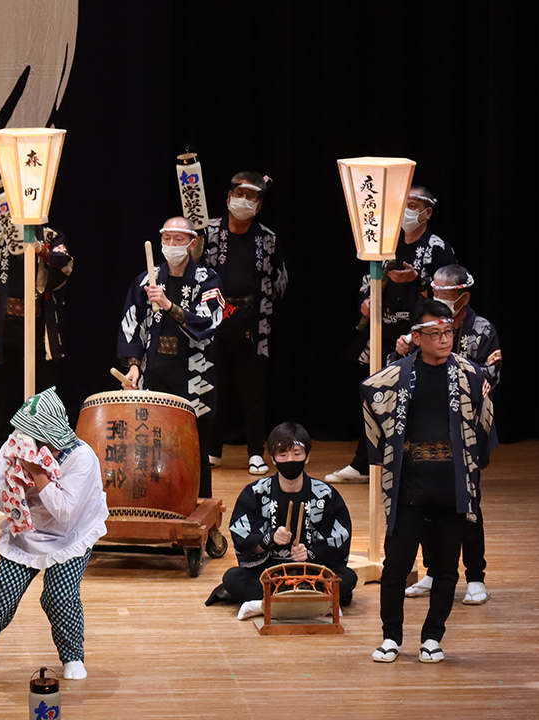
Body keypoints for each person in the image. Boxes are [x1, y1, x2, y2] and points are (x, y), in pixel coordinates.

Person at [362, 300, 495, 664]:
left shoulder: (469, 374)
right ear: (417, 337)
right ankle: (391, 637)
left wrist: (472, 459)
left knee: (447, 569)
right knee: (395, 568)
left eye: (448, 332)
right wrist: (388, 449)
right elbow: (369, 390)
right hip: (410, 485)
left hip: (452, 483)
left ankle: (433, 637)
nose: (443, 340)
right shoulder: (399, 373)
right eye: (434, 334)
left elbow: (484, 417)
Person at [0, 388, 108, 683]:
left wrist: (37, 474)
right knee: (2, 594)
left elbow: (65, 512)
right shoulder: (13, 447)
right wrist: (15, 485)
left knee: (59, 595)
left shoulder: (81, 458)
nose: (25, 442)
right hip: (26, 532)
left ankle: (73, 655)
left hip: (70, 535)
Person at [328, 186, 456, 483]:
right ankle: (364, 464)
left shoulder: (437, 247)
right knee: (373, 394)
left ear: (427, 211)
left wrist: (417, 279)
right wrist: (366, 300)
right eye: (404, 204)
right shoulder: (388, 243)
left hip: (417, 336)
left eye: (414, 205)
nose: (408, 211)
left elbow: (445, 296)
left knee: (408, 400)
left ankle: (402, 464)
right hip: (382, 329)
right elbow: (366, 281)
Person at [395, 265, 502, 605]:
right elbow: (396, 377)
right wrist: (404, 351)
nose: (436, 298)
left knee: (466, 501)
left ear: (463, 297)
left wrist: (442, 357)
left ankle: (475, 576)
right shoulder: (421, 328)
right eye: (434, 292)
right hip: (423, 430)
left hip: (465, 431)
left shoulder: (481, 330)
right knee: (426, 503)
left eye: (445, 294)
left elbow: (490, 376)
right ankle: (432, 570)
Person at [0, 193, 73, 471]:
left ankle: (48, 451)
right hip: (6, 326)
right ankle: (2, 450)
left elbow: (66, 267)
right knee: (5, 391)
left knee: (45, 392)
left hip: (41, 327)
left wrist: (42, 252)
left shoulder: (51, 236)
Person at [206, 422, 356, 620]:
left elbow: (338, 539)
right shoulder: (256, 493)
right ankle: (313, 602)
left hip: (312, 573)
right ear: (274, 459)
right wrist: (270, 539)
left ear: (307, 456)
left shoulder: (325, 494)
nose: (290, 460)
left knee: (348, 577)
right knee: (233, 578)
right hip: (269, 574)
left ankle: (268, 603)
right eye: (283, 455)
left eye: (297, 454)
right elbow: (245, 541)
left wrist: (310, 554)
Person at [119, 216, 223, 498]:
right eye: (167, 239)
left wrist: (167, 305)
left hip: (193, 377)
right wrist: (133, 367)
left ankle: (199, 507)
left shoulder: (207, 280)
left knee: (194, 451)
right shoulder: (147, 279)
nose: (172, 245)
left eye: (179, 240)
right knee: (151, 447)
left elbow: (208, 324)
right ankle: (155, 504)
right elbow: (132, 325)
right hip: (155, 375)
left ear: (191, 244)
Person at [198, 172, 288, 475]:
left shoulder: (267, 237)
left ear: (259, 205)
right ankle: (212, 450)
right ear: (228, 198)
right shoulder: (208, 232)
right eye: (240, 194)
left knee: (253, 392)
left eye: (252, 197)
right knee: (213, 385)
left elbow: (280, 281)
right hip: (213, 318)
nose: (244, 201)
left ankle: (254, 452)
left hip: (252, 318)